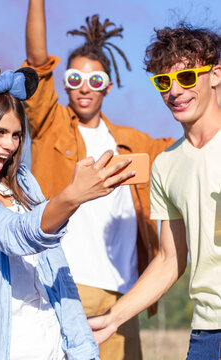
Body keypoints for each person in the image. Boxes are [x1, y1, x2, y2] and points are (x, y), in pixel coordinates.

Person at [0, 61, 136, 360]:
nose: (9, 145)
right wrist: (73, 197)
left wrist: (80, 345)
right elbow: (15, 233)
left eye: (16, 135)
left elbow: (58, 269)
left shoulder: (24, 182)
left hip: (56, 347)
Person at [23, 1, 173, 358]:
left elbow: (196, 141)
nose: (84, 88)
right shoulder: (50, 125)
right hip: (60, 284)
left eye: (95, 80)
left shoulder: (136, 144)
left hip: (121, 296)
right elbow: (37, 60)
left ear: (108, 86)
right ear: (65, 85)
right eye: (74, 79)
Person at [89, 25, 221, 360]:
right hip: (207, 331)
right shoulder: (165, 165)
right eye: (164, 82)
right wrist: (112, 318)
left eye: (187, 77)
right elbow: (169, 259)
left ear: (215, 75)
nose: (175, 91)